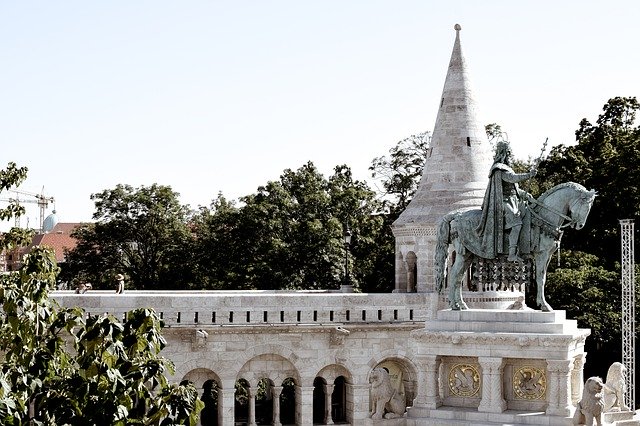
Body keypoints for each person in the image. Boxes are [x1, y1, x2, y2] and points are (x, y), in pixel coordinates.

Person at [477, 140, 536, 262]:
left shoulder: (507, 168)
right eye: (507, 153)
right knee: (516, 223)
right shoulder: (498, 169)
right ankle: (512, 254)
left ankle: (525, 247)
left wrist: (526, 194)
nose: (509, 155)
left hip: (514, 200)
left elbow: (515, 188)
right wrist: (529, 175)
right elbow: (512, 179)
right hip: (503, 202)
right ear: (503, 153)